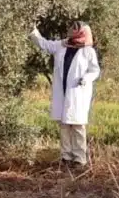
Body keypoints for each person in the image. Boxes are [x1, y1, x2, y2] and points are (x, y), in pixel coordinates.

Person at [29, 21, 101, 169]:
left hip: (78, 92)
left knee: (78, 125)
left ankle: (80, 159)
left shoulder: (88, 51)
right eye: (71, 29)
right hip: (62, 91)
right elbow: (44, 44)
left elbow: (95, 70)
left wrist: (86, 79)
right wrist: (32, 30)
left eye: (76, 30)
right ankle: (66, 157)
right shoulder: (62, 46)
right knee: (64, 124)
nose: (71, 31)